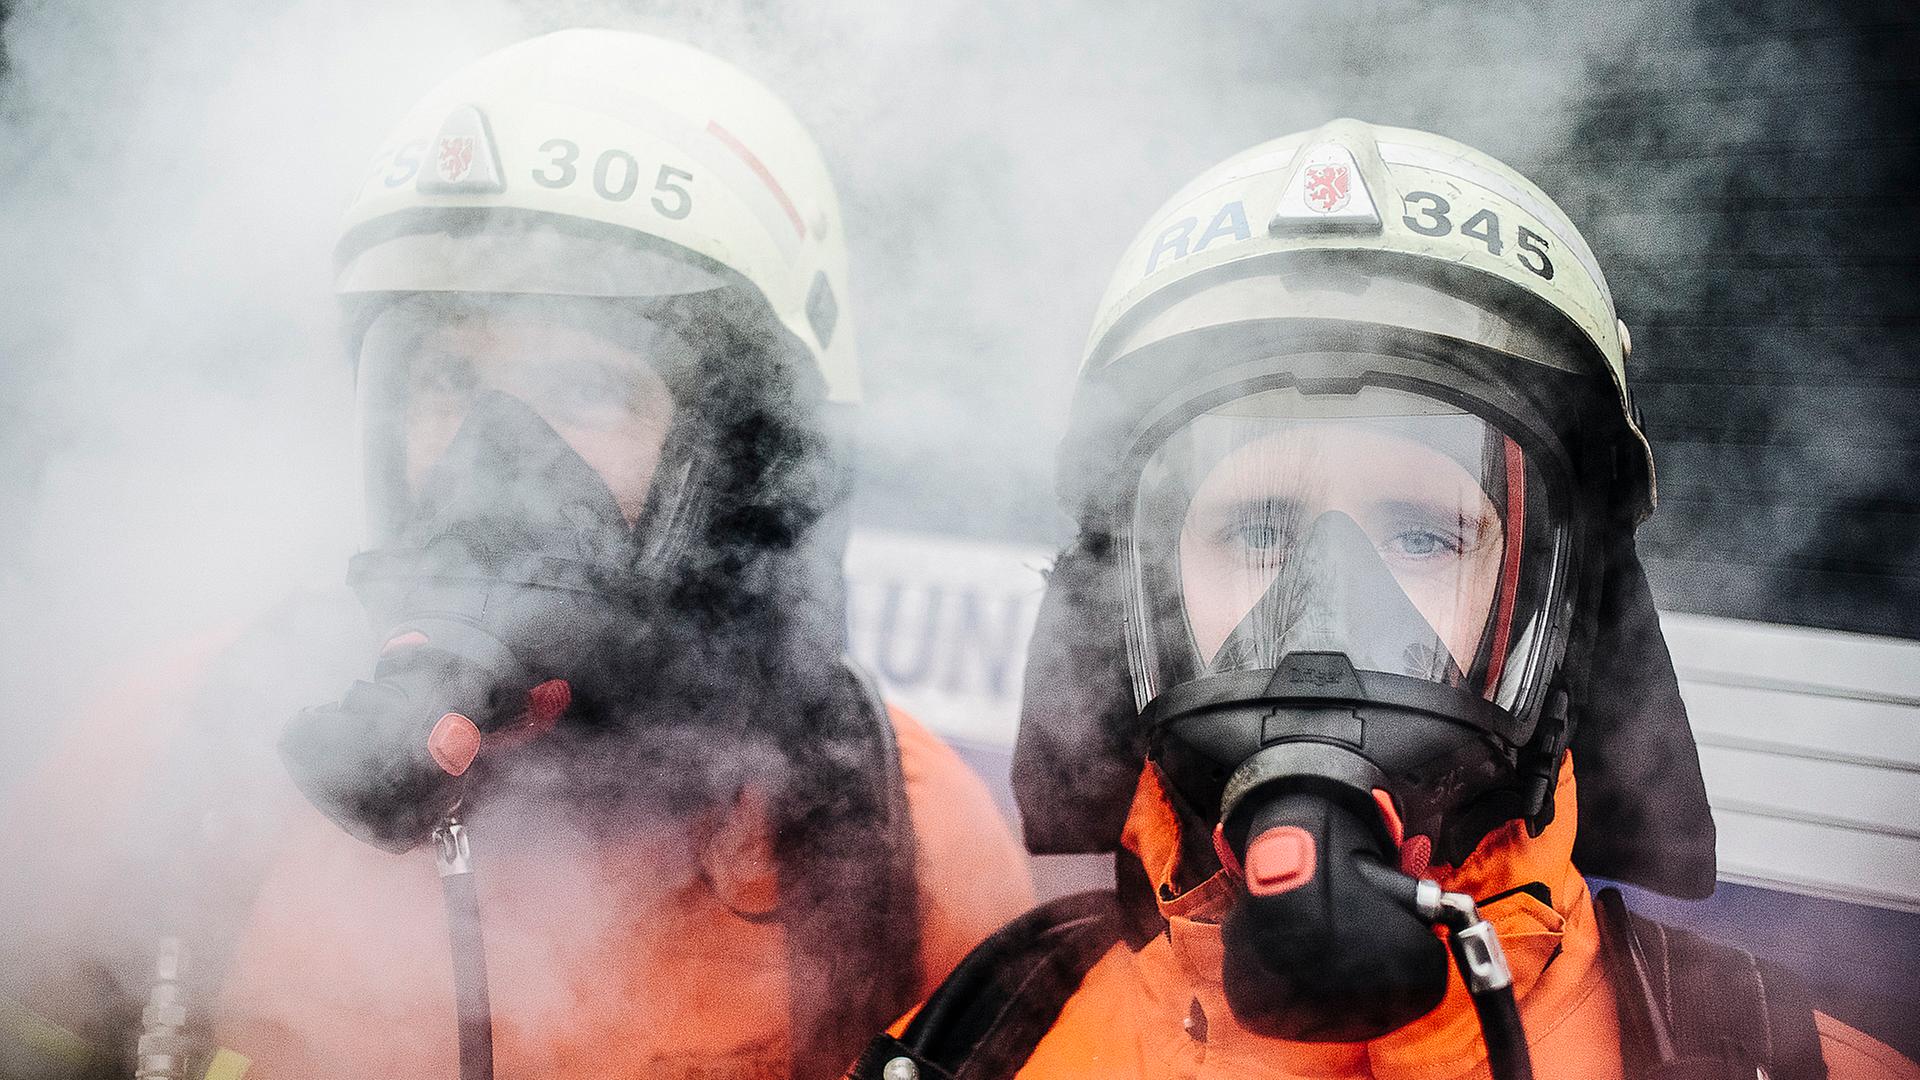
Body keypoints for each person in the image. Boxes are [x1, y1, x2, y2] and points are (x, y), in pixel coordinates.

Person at [0, 29, 1032, 1080]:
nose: (494, 462)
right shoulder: (179, 754)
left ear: (743, 463)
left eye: (587, 388)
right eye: (447, 377)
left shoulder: (887, 850)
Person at [850, 120, 1919, 1080]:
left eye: (1423, 536)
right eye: (1259, 530)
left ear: (1554, 615)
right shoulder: (988, 1042)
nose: (1328, 622)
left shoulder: (1769, 1065)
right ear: (1139, 604)